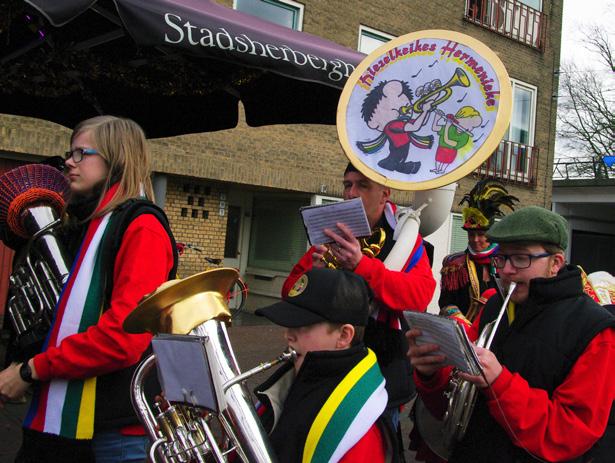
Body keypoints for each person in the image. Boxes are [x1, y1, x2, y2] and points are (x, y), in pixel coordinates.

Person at [0, 116, 177, 462]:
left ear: (117, 159)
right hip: (80, 426)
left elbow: (123, 338)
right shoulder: (84, 226)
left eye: (82, 153)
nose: (69, 161)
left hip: (115, 435)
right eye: (70, 152)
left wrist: (30, 369)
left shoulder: (143, 228)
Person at [407, 206, 615, 462]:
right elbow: (455, 401)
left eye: (520, 258)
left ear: (555, 263)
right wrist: (431, 374)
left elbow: (568, 433)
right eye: (502, 258)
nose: (505, 271)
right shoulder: (494, 305)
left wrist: (500, 383)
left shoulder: (595, 330)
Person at [283, 163, 436, 430]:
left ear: (385, 193)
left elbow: (419, 296)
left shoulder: (405, 238)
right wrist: (314, 273)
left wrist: (361, 266)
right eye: (347, 185)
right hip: (328, 371)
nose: (351, 194)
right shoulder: (333, 233)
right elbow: (289, 291)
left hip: (381, 373)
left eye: (363, 185)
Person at [255, 267, 397, 462]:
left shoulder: (360, 423)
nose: (287, 334)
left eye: (301, 325)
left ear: (344, 336)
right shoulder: (299, 375)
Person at [439, 179, 518, 324]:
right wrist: (463, 324)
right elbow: (445, 303)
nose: (475, 240)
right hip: (464, 333)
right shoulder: (455, 265)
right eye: (471, 235)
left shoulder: (507, 262)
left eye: (481, 234)